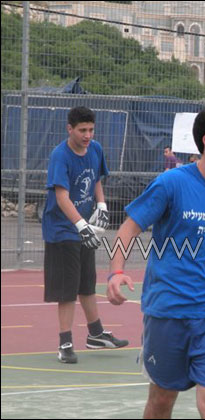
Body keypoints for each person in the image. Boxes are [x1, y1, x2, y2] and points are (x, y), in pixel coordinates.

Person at [106, 104, 205, 419]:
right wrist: (116, 272)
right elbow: (129, 227)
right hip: (169, 311)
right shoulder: (172, 183)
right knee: (161, 401)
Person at [42, 106, 128, 364]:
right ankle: (65, 343)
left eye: (91, 129)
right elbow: (62, 196)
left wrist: (101, 205)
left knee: (87, 283)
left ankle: (96, 334)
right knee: (67, 289)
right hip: (63, 229)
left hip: (85, 227)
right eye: (82, 130)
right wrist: (81, 225)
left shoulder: (95, 149)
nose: (87, 135)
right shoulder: (60, 156)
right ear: (70, 129)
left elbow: (96, 179)